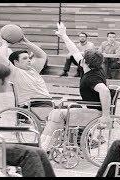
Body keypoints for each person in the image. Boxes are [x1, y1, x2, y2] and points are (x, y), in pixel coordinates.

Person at [40, 22, 112, 152]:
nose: (80, 56)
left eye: (82, 56)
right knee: (55, 112)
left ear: (85, 62)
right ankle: (45, 145)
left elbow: (105, 90)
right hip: (89, 107)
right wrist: (63, 35)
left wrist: (106, 116)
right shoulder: (92, 67)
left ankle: (46, 147)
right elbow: (74, 50)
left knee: (56, 114)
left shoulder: (92, 78)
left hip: (95, 113)